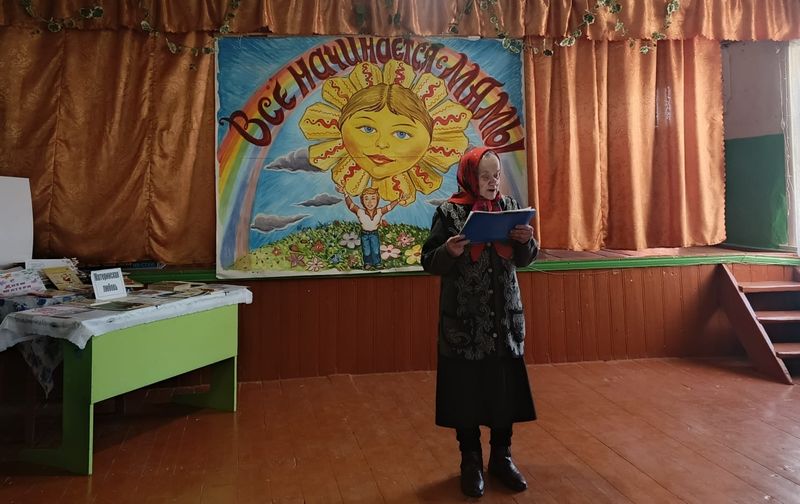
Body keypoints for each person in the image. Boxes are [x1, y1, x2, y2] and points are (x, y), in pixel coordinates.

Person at [421, 146, 538, 498]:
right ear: (470, 177)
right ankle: (470, 460)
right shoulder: (449, 213)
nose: (492, 182)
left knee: (504, 391)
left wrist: (527, 242)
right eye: (485, 176)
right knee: (466, 393)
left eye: (496, 175)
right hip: (464, 325)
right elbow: (429, 261)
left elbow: (525, 259)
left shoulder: (509, 208)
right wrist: (448, 251)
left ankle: (502, 457)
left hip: (504, 322)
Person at [336, 185, 403, 269]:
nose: (370, 202)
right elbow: (351, 205)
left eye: (373, 198)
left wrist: (398, 200)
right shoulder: (360, 212)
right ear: (362, 201)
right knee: (366, 250)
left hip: (374, 234)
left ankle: (377, 263)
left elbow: (389, 207)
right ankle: (367, 263)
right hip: (364, 234)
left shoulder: (379, 211)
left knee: (375, 250)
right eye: (366, 199)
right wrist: (345, 193)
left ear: (377, 200)